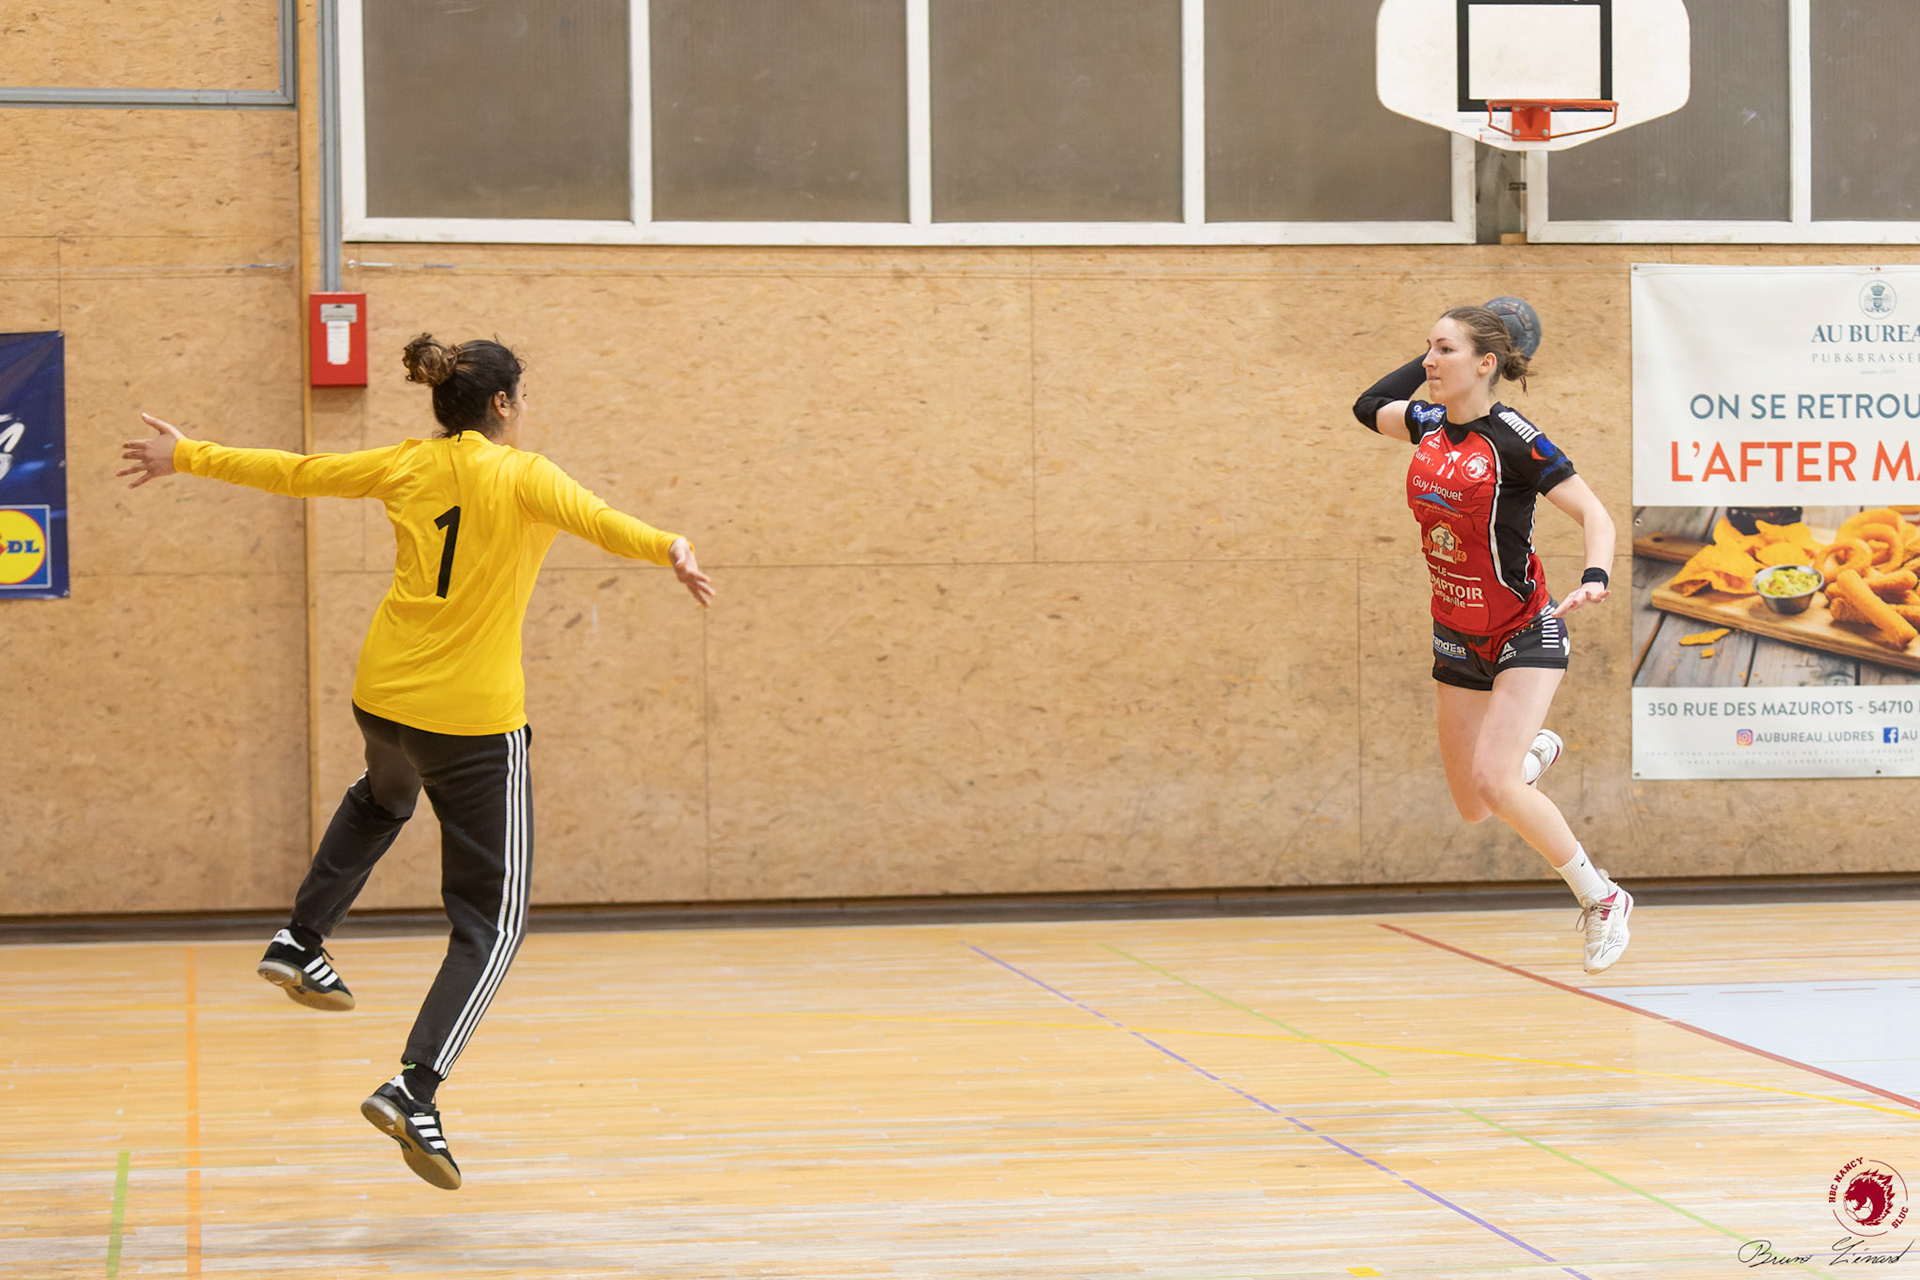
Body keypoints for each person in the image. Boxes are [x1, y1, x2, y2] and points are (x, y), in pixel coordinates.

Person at [120, 334, 713, 1189]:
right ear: (503, 405)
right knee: (491, 923)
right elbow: (604, 523)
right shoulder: (524, 475)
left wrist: (189, 457)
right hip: (471, 727)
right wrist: (670, 546)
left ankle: (300, 937)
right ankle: (415, 1088)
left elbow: (296, 471)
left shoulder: (405, 466)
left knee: (383, 796)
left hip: (385, 698)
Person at [1352, 305, 1631, 973]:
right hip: (1454, 636)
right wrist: (1425, 365)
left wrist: (1595, 574)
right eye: (1427, 349)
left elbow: (1596, 513)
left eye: (1444, 350)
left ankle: (1603, 899)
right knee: (1475, 804)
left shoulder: (1515, 440)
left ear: (1486, 364)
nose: (1429, 362)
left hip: (1523, 631)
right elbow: (1370, 405)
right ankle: (1527, 757)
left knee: (1495, 784)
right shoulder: (1425, 425)